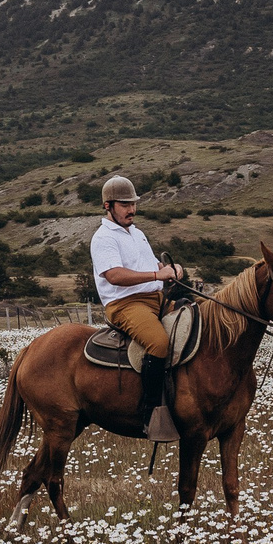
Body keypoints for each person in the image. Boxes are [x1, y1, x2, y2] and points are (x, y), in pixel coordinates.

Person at [90, 175, 183, 442]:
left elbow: (155, 266)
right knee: (158, 343)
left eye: (133, 204)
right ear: (108, 206)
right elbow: (115, 276)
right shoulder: (103, 237)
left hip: (155, 299)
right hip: (124, 303)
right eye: (124, 204)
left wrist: (172, 270)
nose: (131, 209)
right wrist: (157, 277)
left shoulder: (137, 233)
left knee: (198, 318)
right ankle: (151, 413)